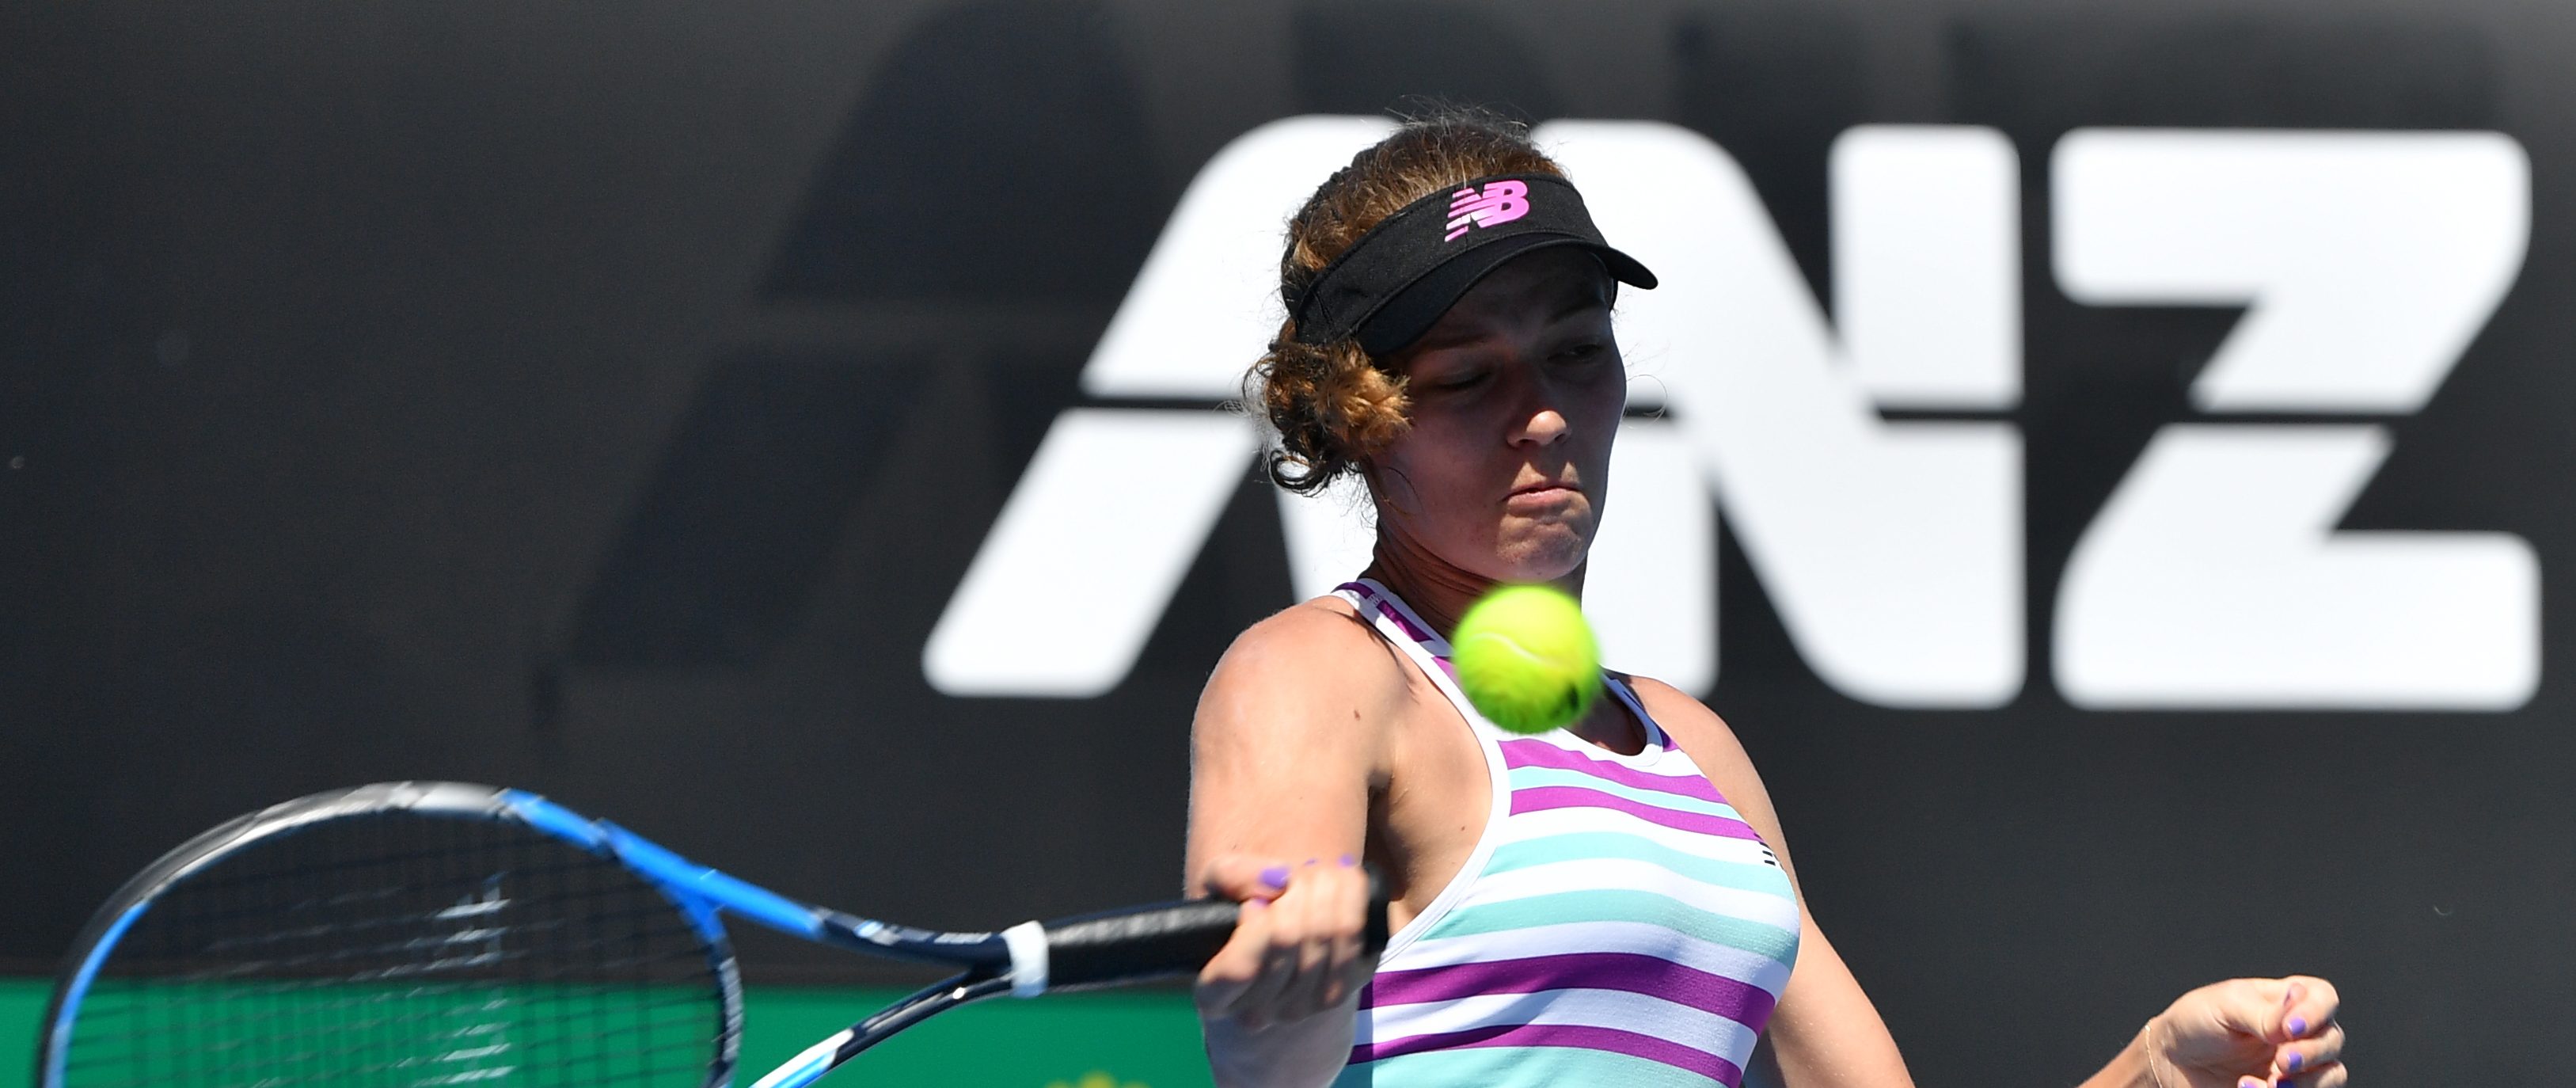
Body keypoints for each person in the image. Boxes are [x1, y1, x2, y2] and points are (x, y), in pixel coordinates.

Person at [1182, 109, 2350, 1088]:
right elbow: (1265, 1054)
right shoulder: (1316, 671)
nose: (1540, 411)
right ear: (1350, 417)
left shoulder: (1694, 748)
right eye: (1467, 376)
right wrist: (1273, 1006)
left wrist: (2152, 1068)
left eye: (1576, 350)